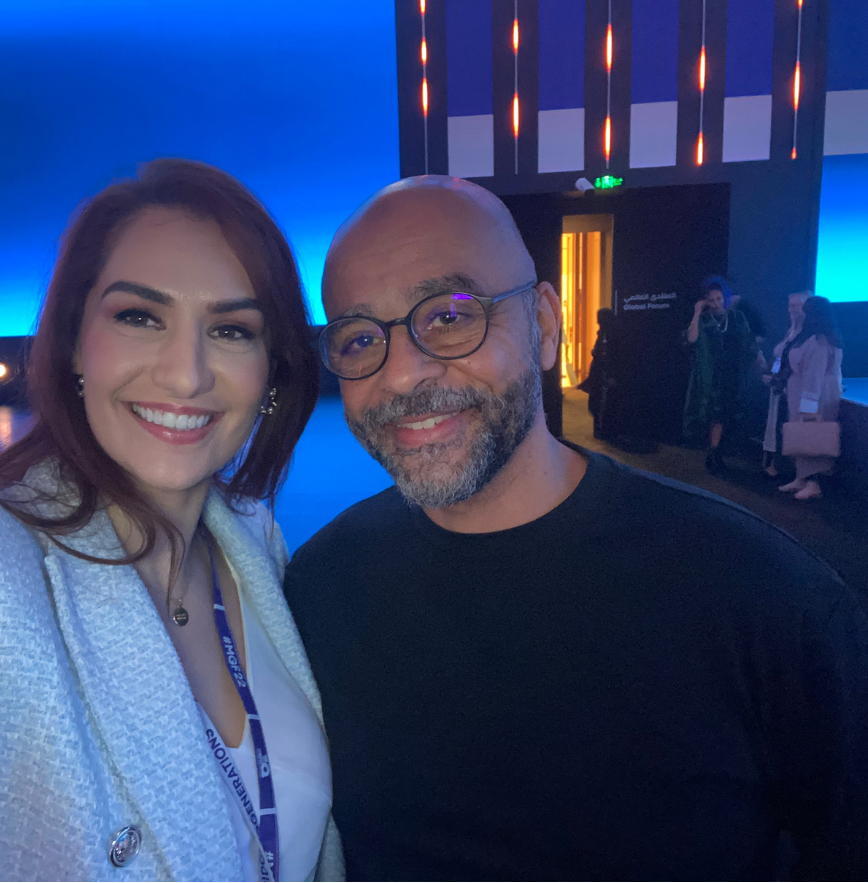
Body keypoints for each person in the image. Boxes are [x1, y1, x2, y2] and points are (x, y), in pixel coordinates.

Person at [284, 176, 868, 881]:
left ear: (545, 323)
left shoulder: (761, 597)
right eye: (358, 338)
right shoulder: (318, 593)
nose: (402, 374)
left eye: (451, 315)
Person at [0, 159, 343, 882]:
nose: (187, 373)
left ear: (273, 369)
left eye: (233, 329)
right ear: (77, 343)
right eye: (139, 317)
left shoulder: (253, 541)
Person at [683, 276, 759, 473]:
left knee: (726, 414)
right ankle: (713, 451)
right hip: (709, 374)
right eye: (711, 300)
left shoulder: (737, 317)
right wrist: (697, 312)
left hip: (732, 374)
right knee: (710, 414)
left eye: (719, 299)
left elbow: (749, 343)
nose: (716, 303)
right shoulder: (704, 319)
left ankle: (716, 451)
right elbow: (691, 339)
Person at [777, 295, 845, 501]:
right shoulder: (813, 337)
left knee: (811, 434)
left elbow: (814, 375)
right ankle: (802, 477)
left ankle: (813, 482)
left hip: (815, 395)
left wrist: (809, 405)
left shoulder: (819, 342)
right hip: (803, 391)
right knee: (802, 433)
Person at [761, 291, 810, 477]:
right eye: (790, 306)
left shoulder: (809, 337)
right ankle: (773, 464)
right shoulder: (791, 332)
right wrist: (772, 375)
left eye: (795, 306)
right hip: (780, 388)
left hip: (794, 390)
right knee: (775, 425)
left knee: (790, 427)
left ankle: (796, 471)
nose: (791, 310)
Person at [577, 307, 619, 441]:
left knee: (601, 404)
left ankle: (602, 431)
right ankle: (599, 430)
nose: (597, 321)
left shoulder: (611, 334)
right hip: (598, 374)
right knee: (595, 403)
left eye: (600, 319)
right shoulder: (603, 333)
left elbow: (610, 355)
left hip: (604, 375)